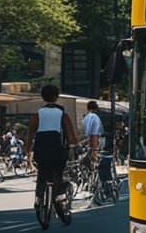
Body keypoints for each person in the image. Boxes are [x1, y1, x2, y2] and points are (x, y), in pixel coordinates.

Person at [29, 84, 78, 213]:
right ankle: (58, 197)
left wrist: (27, 150)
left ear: (42, 97)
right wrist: (74, 144)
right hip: (57, 150)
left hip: (40, 149)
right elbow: (71, 137)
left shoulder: (37, 114)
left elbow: (29, 135)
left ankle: (39, 198)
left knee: (42, 172)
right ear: (56, 97)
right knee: (58, 174)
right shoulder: (62, 114)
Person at [82, 100, 114, 192]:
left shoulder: (85, 117)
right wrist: (94, 150)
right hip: (96, 144)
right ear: (96, 108)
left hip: (88, 144)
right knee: (103, 165)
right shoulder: (94, 117)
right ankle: (105, 186)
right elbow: (94, 134)